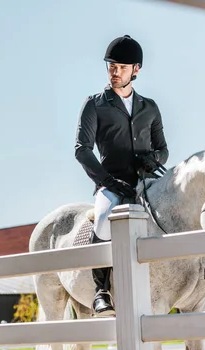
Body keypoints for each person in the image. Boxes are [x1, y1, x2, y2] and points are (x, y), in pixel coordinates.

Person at [74, 34, 169, 317]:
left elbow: (163, 149)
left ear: (135, 70)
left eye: (121, 67)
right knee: (104, 221)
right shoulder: (95, 105)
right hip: (112, 183)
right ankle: (101, 290)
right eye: (111, 66)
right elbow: (82, 150)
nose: (115, 72)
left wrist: (154, 159)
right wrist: (106, 181)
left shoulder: (149, 107)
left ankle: (193, 284)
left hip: (146, 182)